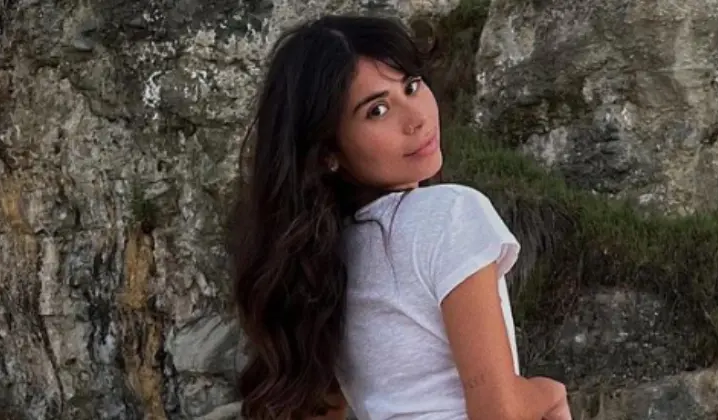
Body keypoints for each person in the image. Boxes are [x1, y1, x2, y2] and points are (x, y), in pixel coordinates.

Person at [227, 13, 572, 420]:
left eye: (411, 86)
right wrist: (551, 393)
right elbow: (500, 413)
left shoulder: (321, 263)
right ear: (328, 152)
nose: (416, 118)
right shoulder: (451, 214)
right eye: (377, 110)